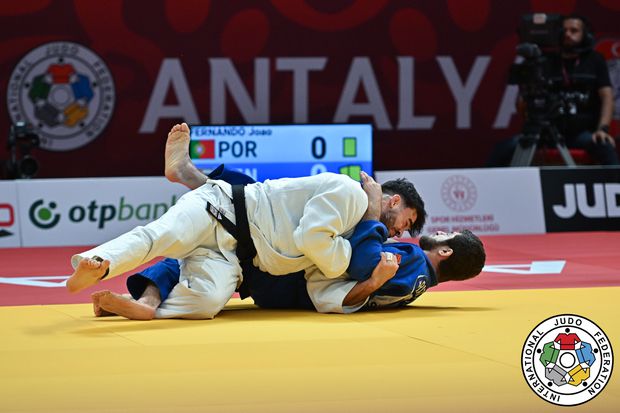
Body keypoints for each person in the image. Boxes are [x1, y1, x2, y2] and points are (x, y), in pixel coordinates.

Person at [88, 140, 485, 319]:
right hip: (289, 279)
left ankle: (149, 298)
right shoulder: (412, 279)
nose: (400, 233)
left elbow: (364, 265)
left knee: (228, 226)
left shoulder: (406, 258)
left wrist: (369, 225)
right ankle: (143, 301)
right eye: (406, 222)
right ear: (395, 201)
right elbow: (364, 277)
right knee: (250, 205)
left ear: (446, 251)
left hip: (286, 274)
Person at [487, 14, 618, 166]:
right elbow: (523, 104)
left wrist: (602, 129)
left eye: (574, 30)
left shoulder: (595, 60)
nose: (568, 34)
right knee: (502, 149)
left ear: (586, 35)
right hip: (545, 133)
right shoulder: (545, 61)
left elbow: (607, 97)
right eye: (564, 30)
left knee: (604, 147)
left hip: (580, 133)